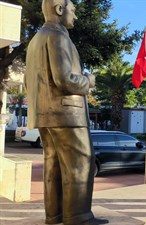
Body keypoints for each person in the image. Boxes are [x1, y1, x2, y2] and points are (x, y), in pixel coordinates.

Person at [25, 1, 108, 224]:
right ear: (59, 9)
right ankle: (78, 217)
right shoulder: (58, 36)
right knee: (81, 163)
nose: (75, 16)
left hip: (44, 113)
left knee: (53, 166)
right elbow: (64, 79)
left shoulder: (35, 41)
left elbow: (30, 82)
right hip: (67, 114)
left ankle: (55, 216)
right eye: (73, 11)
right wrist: (88, 81)